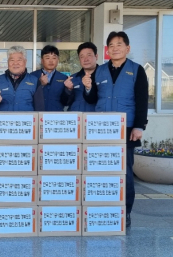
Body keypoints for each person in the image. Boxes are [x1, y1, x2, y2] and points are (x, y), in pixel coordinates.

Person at [89, 31, 149, 227]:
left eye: (119, 45)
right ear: (107, 50)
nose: (114, 48)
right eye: (111, 45)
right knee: (101, 170)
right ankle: (102, 208)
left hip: (127, 128)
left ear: (127, 48)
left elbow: (142, 100)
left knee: (124, 172)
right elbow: (92, 99)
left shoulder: (137, 70)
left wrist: (139, 126)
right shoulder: (100, 71)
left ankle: (126, 211)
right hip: (101, 127)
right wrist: (88, 87)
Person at [0, 46, 43, 111]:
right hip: (4, 121)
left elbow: (40, 109)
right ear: (8, 62)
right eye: (12, 60)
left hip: (25, 121)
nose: (15, 63)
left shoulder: (34, 81)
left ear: (25, 62)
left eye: (19, 60)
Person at [30, 45, 69, 111]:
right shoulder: (32, 76)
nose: (51, 61)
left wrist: (69, 90)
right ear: (42, 60)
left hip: (56, 117)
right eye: (47, 58)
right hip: (37, 117)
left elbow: (66, 102)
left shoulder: (64, 78)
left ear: (58, 60)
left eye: (54, 58)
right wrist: (40, 85)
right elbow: (28, 98)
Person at [63, 42, 99, 111]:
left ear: (96, 56)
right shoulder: (72, 78)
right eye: (82, 56)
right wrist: (68, 90)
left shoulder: (104, 76)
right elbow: (66, 103)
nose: (85, 59)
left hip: (95, 119)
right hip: (76, 119)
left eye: (89, 55)